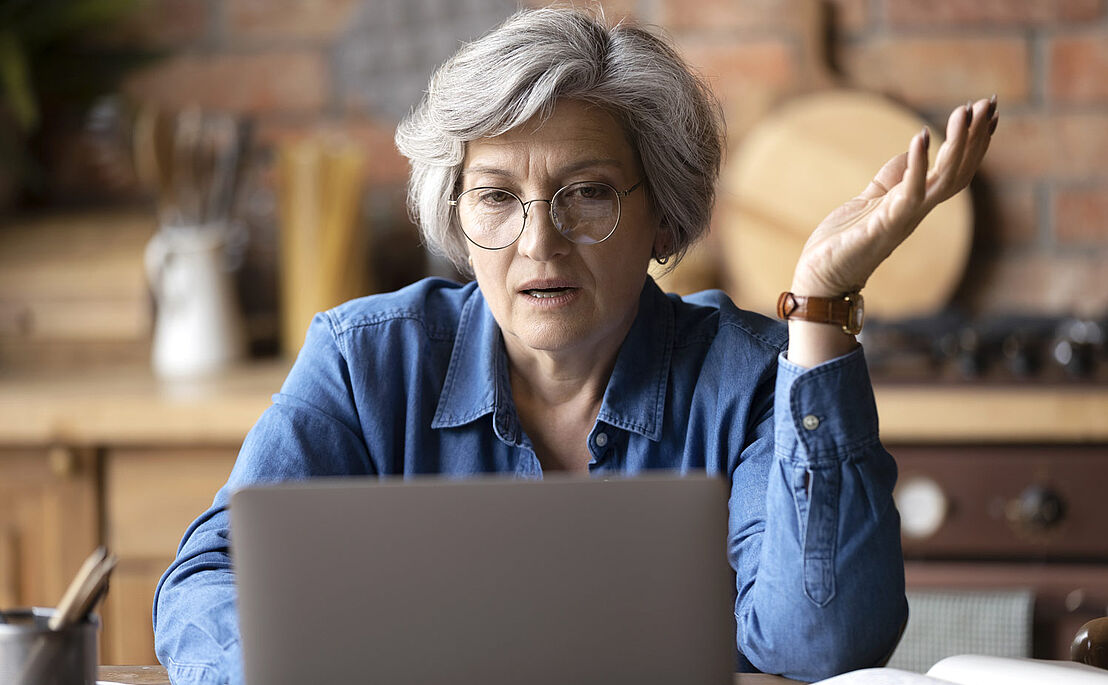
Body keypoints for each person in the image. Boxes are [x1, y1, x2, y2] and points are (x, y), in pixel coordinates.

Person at [153, 7, 997, 684]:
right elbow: (202, 585)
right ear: (457, 220)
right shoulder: (364, 361)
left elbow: (825, 645)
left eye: (585, 194)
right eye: (496, 197)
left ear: (664, 213)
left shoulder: (747, 377)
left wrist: (818, 305)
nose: (539, 243)